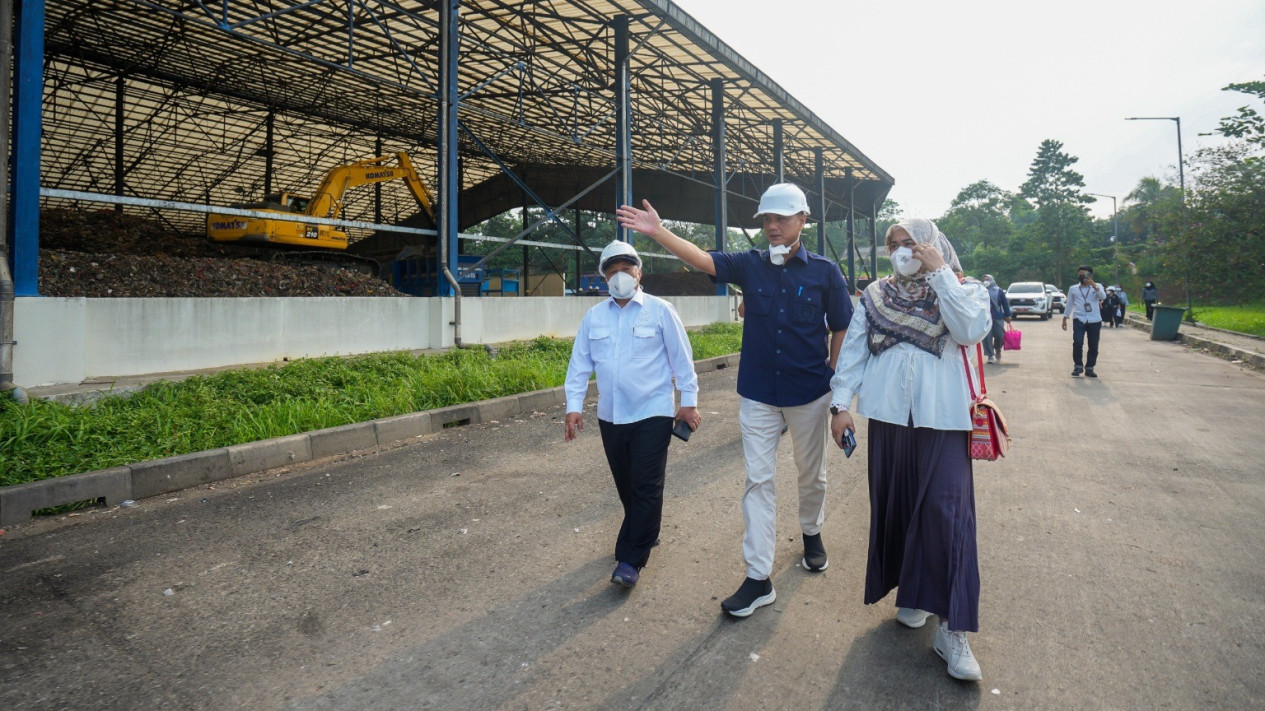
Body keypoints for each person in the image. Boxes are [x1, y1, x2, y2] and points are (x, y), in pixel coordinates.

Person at [616, 183, 853, 618]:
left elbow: (842, 328)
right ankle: (758, 577)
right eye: (766, 219)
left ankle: (811, 532)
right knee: (757, 482)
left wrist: (836, 386)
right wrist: (658, 233)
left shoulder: (824, 273)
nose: (772, 226)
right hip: (759, 393)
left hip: (809, 393)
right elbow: (702, 259)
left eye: (782, 218)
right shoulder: (751, 266)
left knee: (811, 474)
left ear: (803, 220)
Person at [828, 218, 991, 681]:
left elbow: (970, 331)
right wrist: (841, 406)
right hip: (889, 419)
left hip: (945, 421)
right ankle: (914, 594)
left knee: (947, 516)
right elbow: (855, 349)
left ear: (933, 246)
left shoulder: (965, 289)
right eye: (895, 245)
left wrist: (940, 275)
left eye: (912, 243)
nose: (903, 252)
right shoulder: (877, 295)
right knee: (896, 507)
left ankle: (952, 630)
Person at [563, 240, 702, 589]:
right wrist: (573, 406)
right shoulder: (594, 317)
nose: (620, 276)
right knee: (627, 484)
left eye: (626, 269)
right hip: (611, 416)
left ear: (639, 273)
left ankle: (630, 559)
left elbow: (682, 360)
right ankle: (645, 529)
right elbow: (579, 366)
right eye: (612, 272)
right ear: (603, 279)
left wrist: (688, 401)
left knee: (645, 485)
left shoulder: (660, 310)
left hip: (652, 412)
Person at [1062, 265, 1107, 378]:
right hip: (1079, 319)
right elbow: (1070, 304)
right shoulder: (1073, 288)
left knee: (1093, 345)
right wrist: (1065, 317)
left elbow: (1103, 297)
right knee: (1077, 342)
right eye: (1080, 274)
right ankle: (1078, 366)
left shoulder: (1098, 287)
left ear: (1091, 276)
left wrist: (1095, 286)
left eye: (1085, 274)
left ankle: (1090, 367)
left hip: (1094, 320)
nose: (1082, 276)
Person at [980, 274, 1012, 364]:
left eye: (988, 279)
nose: (985, 281)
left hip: (997, 317)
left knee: (999, 335)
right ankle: (990, 355)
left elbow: (1005, 304)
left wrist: (1008, 315)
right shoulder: (981, 291)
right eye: (984, 279)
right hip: (985, 317)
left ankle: (997, 348)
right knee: (987, 337)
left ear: (992, 280)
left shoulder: (999, 291)